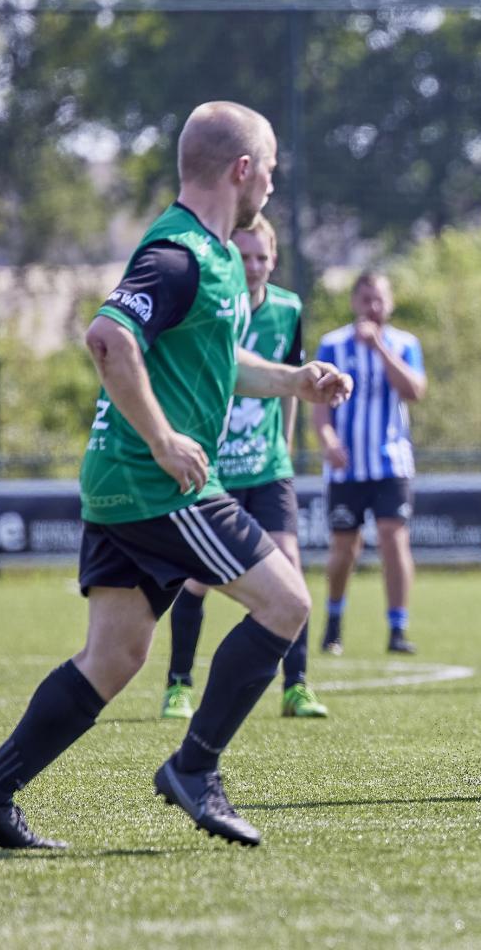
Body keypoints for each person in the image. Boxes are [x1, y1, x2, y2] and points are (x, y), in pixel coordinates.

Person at [0, 101, 352, 850]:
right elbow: (108, 338)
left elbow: (218, 365)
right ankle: (195, 769)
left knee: (116, 654)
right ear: (240, 170)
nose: (271, 181)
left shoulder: (223, 256)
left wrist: (295, 383)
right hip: (154, 481)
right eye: (267, 167)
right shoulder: (180, 253)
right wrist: (165, 440)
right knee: (286, 604)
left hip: (119, 481)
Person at [161, 214, 328, 722]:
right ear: (230, 258)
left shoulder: (288, 308)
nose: (254, 266)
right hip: (216, 470)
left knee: (291, 574)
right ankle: (178, 684)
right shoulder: (215, 307)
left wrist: (282, 446)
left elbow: (292, 383)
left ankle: (296, 686)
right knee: (196, 580)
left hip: (267, 468)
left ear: (274, 260)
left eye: (262, 257)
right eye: (244, 256)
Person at [313, 271, 426, 656]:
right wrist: (327, 441)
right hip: (347, 468)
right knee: (345, 548)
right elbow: (318, 403)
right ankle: (333, 621)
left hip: (391, 463)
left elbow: (414, 391)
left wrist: (379, 347)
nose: (372, 307)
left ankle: (397, 628)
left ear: (389, 303)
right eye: (365, 299)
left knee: (394, 539)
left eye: (378, 299)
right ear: (353, 303)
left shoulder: (403, 344)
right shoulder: (332, 345)